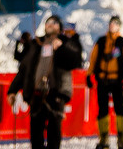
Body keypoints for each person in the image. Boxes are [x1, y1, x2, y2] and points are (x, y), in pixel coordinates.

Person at [7, 15, 83, 149]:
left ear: (60, 27)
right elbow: (24, 69)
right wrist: (12, 90)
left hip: (56, 94)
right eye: (48, 22)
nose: (50, 25)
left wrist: (63, 45)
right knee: (36, 137)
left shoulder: (65, 41)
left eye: (54, 23)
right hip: (36, 94)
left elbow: (76, 58)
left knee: (54, 137)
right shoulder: (36, 44)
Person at [86, 15, 123, 149]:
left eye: (115, 24)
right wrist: (89, 75)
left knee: (119, 109)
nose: (112, 26)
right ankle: (104, 138)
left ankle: (121, 139)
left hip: (117, 80)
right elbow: (93, 58)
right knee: (103, 109)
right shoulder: (101, 41)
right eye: (111, 23)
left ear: (119, 26)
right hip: (102, 79)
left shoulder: (122, 41)